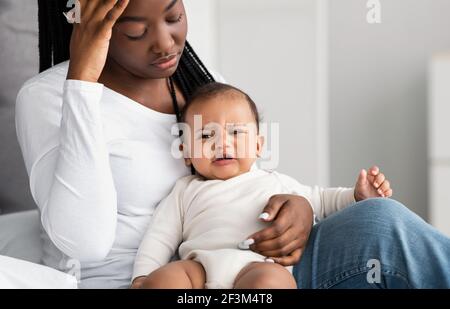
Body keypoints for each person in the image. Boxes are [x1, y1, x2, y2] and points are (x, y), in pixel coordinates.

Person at [15, 0, 450, 289]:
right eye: (134, 31)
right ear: (87, 21)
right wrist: (83, 84)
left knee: (380, 218)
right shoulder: (50, 98)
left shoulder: (193, 80)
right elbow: (83, 242)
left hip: (261, 266)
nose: (166, 44)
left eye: (173, 16)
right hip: (169, 278)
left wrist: (300, 208)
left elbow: (250, 178)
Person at [130, 83, 393, 289]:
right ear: (186, 151)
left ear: (258, 145)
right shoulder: (185, 190)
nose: (223, 144)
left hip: (256, 265)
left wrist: (357, 196)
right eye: (206, 135)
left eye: (236, 133)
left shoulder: (274, 182)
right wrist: (142, 276)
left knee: (272, 283)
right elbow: (159, 237)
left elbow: (322, 201)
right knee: (161, 283)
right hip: (198, 268)